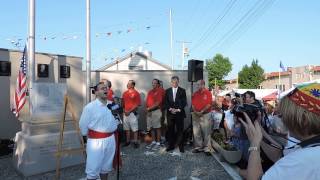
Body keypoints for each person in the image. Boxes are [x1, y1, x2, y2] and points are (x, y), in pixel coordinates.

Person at [240, 82, 320, 180]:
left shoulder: (301, 160)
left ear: (303, 120)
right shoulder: (309, 149)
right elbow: (279, 156)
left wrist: (254, 145)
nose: (283, 119)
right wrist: (260, 132)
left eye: (284, 115)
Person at [79, 82, 118, 180]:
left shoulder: (112, 104)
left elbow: (117, 119)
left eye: (106, 88)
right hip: (96, 142)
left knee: (106, 168)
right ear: (96, 92)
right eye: (102, 88)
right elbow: (83, 125)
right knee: (93, 169)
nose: (105, 90)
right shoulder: (90, 107)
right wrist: (86, 139)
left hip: (110, 139)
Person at [164, 76, 187, 153]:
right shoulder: (167, 91)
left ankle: (181, 146)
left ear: (178, 82)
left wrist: (177, 110)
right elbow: (166, 102)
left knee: (180, 130)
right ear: (171, 82)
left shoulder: (182, 91)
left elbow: (184, 102)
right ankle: (171, 145)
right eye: (173, 82)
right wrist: (170, 109)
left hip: (179, 114)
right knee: (171, 130)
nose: (174, 83)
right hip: (170, 114)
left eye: (176, 82)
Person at [191, 80, 212, 155]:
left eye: (198, 85)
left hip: (205, 114)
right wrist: (195, 111)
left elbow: (209, 104)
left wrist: (202, 111)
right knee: (196, 132)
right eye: (197, 85)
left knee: (206, 132)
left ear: (203, 85)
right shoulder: (195, 94)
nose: (197, 86)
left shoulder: (208, 93)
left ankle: (207, 148)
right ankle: (198, 147)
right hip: (196, 114)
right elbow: (192, 104)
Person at [145, 79, 164, 150]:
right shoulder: (150, 91)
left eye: (155, 83)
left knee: (157, 127)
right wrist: (147, 110)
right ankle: (153, 141)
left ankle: (158, 143)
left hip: (156, 111)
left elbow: (158, 103)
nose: (153, 84)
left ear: (158, 84)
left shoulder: (160, 91)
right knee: (151, 127)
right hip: (149, 112)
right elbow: (147, 102)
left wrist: (149, 109)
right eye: (152, 83)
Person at [122, 80, 141, 148]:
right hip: (125, 113)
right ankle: (128, 141)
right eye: (127, 83)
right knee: (127, 128)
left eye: (129, 84)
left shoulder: (136, 93)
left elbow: (137, 104)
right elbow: (123, 103)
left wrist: (129, 111)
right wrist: (124, 110)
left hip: (132, 113)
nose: (127, 85)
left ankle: (135, 142)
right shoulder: (124, 93)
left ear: (133, 85)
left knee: (135, 129)